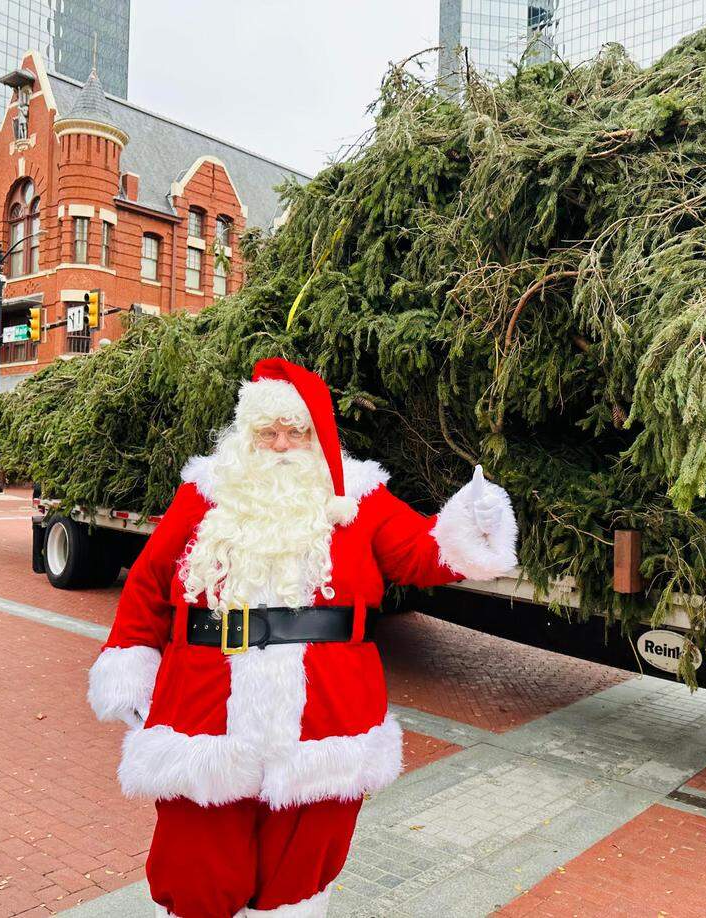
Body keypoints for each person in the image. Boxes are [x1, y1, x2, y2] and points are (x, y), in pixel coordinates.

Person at [87, 358, 518, 917]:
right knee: (196, 864)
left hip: (328, 716)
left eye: (297, 431)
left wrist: (474, 522)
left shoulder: (357, 496)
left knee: (300, 869)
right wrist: (130, 668)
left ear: (318, 435)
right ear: (247, 435)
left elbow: (420, 552)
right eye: (268, 432)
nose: (283, 445)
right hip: (204, 710)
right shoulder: (206, 492)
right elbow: (148, 581)